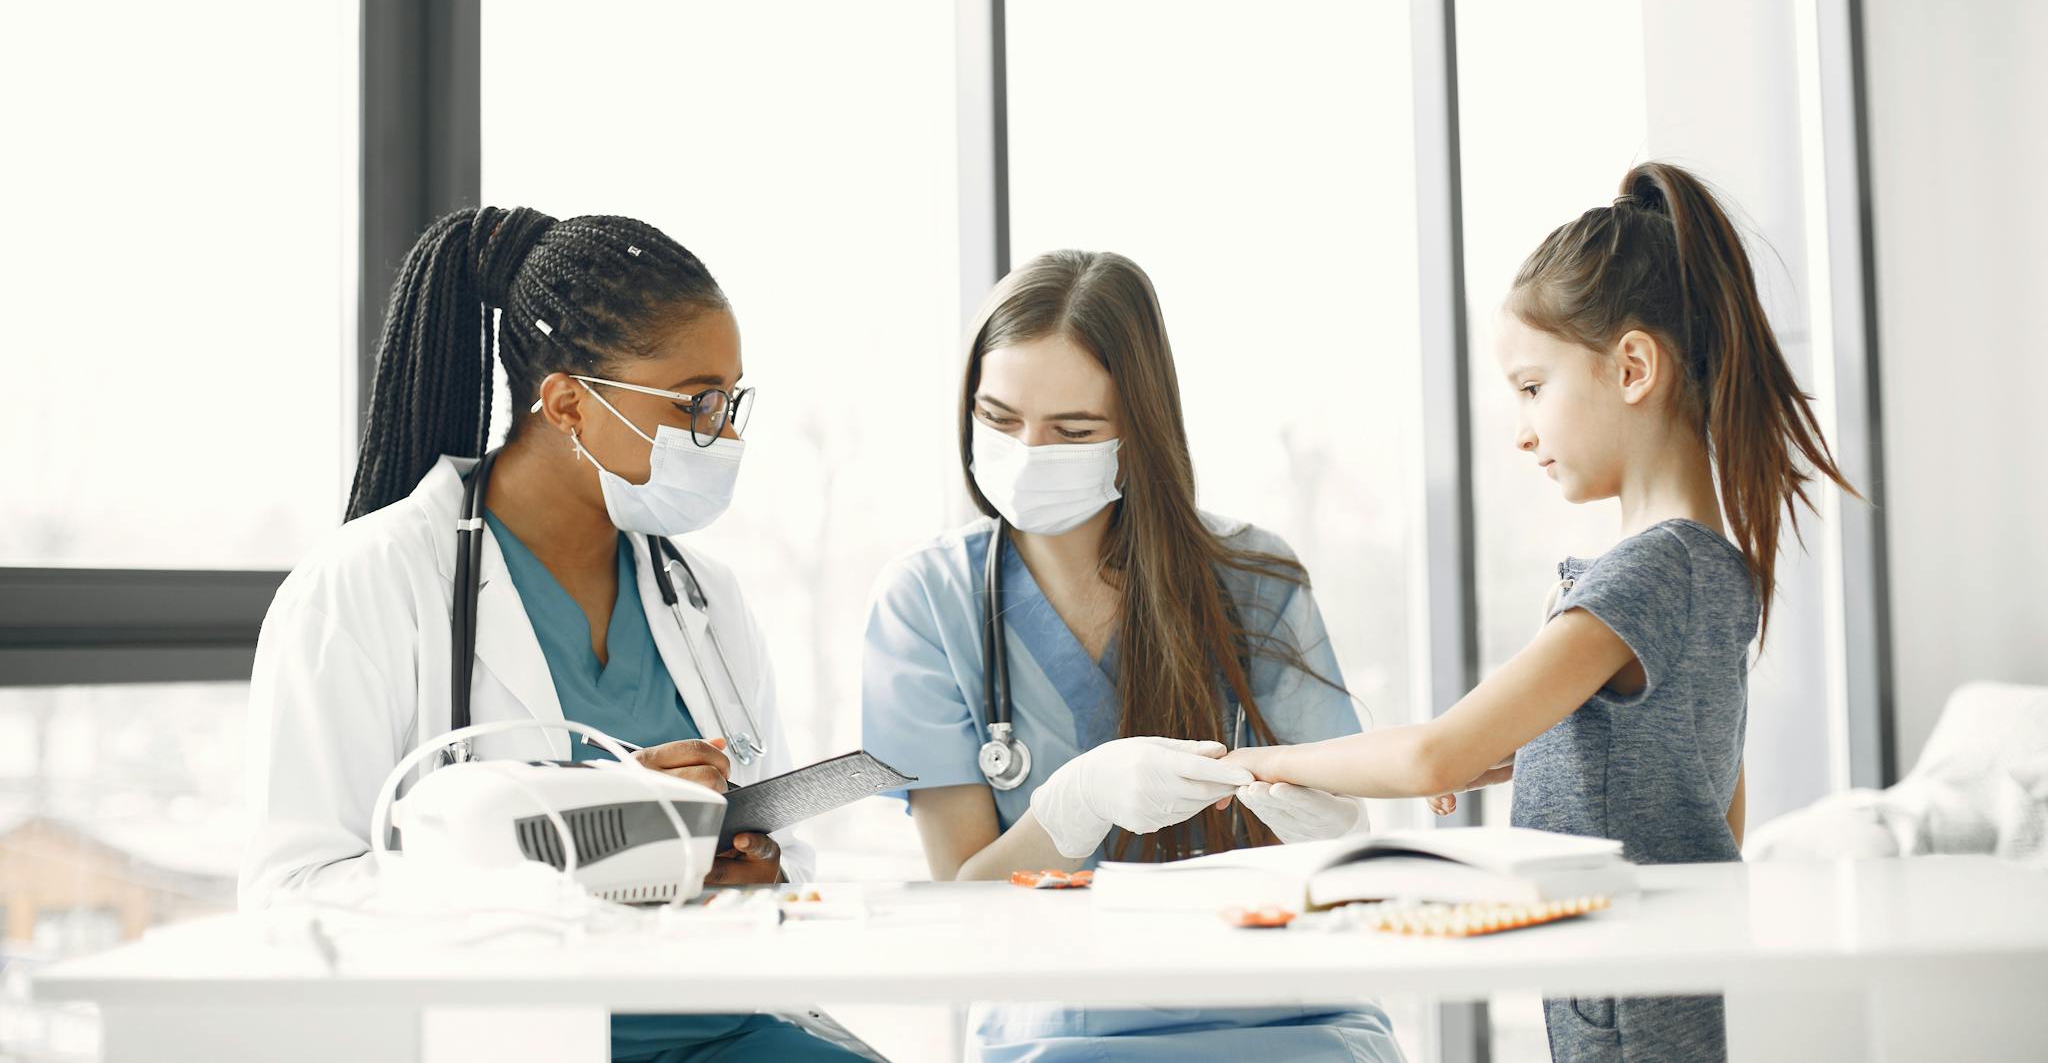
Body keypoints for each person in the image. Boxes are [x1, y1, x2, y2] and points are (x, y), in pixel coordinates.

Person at [1227, 163, 1859, 1063]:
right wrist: (1522, 759)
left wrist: (1267, 759)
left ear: (1633, 366)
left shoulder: (1644, 573)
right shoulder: (1713, 568)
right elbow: (1707, 791)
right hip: (1662, 985)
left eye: (1531, 388)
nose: (1522, 429)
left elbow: (1430, 753)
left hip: (1624, 1004)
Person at [242, 206, 868, 1061]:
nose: (724, 435)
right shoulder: (365, 584)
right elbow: (293, 896)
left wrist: (754, 873)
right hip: (504, 1038)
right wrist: (591, 830)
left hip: (726, 1024)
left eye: (731, 401)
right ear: (568, 403)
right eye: (698, 404)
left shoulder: (705, 599)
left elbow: (787, 862)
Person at [862, 249, 1404, 1062]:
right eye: (998, 418)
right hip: (1060, 1029)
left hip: (1290, 1015)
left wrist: (1327, 820)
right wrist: (1072, 805)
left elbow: (1334, 852)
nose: (1027, 451)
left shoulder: (1252, 580)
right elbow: (964, 906)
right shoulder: (927, 603)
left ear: (1137, 429)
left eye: (1072, 430)